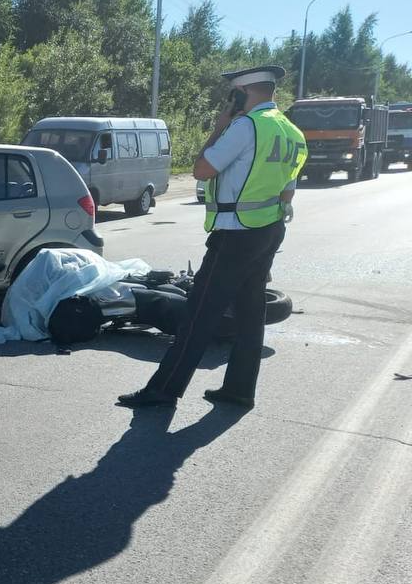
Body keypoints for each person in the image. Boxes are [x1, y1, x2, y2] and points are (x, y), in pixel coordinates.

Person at [118, 65, 306, 410]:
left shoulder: (245, 127)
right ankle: (239, 389)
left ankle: (163, 390)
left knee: (199, 313)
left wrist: (219, 128)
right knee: (251, 314)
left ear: (242, 94)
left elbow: (202, 170)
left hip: (236, 234)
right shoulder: (291, 131)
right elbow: (287, 193)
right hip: (269, 230)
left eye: (233, 94)